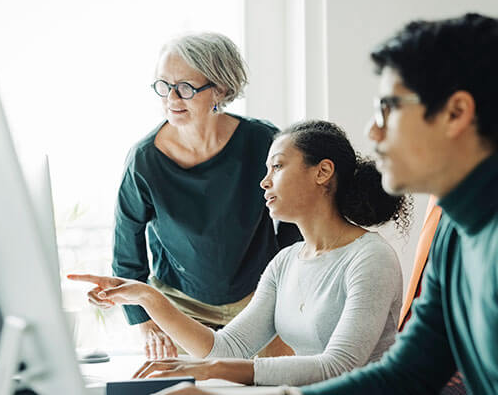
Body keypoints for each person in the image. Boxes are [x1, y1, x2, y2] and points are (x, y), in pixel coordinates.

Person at [155, 12, 498, 395]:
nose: (374, 131)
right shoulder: (458, 231)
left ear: (456, 113)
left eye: (389, 108)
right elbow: (409, 371)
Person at [70, 119, 412, 386]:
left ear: (322, 172)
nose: (264, 182)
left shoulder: (369, 257)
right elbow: (226, 348)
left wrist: (217, 371)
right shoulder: (285, 262)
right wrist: (147, 297)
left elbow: (338, 366)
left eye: (277, 167)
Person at [103, 32, 301, 359]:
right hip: (180, 307)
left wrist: (283, 290)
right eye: (163, 85)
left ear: (220, 89)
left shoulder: (263, 140)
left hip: (258, 301)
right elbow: (127, 245)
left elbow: (294, 218)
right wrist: (143, 322)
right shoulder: (144, 160)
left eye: (185, 88)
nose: (171, 98)